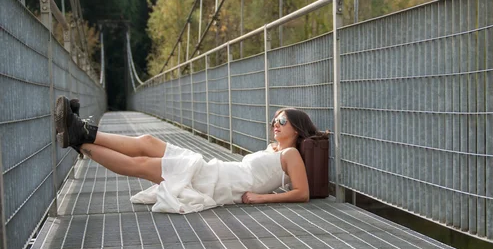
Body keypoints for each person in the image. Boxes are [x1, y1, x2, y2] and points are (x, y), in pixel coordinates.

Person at [54, 96, 320, 214]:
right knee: (147, 142)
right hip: (213, 169)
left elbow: (302, 193)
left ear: (297, 128)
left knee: (143, 165)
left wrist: (261, 198)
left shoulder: (290, 154)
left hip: (215, 183)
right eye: (274, 120)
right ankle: (84, 132)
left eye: (282, 122)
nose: (275, 124)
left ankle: (80, 141)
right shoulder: (272, 149)